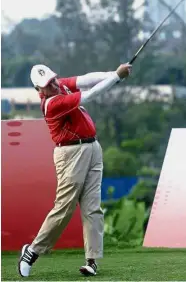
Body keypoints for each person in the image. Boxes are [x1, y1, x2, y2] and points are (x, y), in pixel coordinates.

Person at [18, 62, 132, 278]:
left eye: (52, 79)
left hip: (92, 148)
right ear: (38, 90)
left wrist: (114, 73)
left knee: (92, 208)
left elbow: (87, 79)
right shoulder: (52, 103)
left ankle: (92, 261)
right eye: (46, 85)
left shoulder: (60, 85)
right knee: (64, 207)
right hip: (70, 154)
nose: (52, 85)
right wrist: (116, 77)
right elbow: (90, 95)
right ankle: (31, 252)